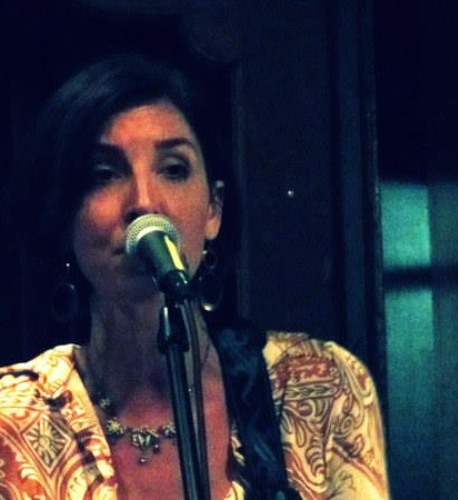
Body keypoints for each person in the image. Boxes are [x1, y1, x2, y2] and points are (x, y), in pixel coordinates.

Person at [0, 53, 389, 499]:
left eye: (174, 169)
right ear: (63, 216)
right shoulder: (13, 420)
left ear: (213, 211)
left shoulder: (319, 388)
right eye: (103, 174)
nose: (145, 203)